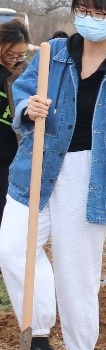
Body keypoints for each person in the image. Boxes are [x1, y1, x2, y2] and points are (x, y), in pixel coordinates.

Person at [0, 0, 106, 350]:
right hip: (38, 165)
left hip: (89, 175)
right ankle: (39, 332)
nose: (89, 18)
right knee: (12, 247)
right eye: (83, 9)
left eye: (99, 12)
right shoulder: (53, 54)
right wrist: (29, 107)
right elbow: (21, 94)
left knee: (76, 270)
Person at [0, 20, 31, 225]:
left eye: (21, 54)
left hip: (12, 154)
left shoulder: (26, 72)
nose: (16, 60)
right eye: (10, 54)